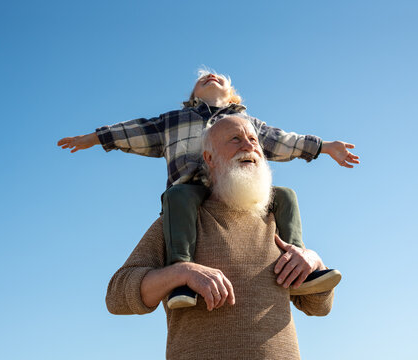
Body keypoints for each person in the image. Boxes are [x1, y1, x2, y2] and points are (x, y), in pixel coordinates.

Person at [57, 69, 359, 307]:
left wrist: (324, 146)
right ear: (192, 95)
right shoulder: (173, 120)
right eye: (202, 78)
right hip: (189, 194)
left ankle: (297, 261)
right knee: (177, 195)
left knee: (286, 196)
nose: (210, 76)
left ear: (230, 94)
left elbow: (285, 141)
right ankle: (181, 276)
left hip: (235, 192)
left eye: (218, 76)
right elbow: (134, 131)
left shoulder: (247, 123)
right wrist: (94, 138)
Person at [106, 115, 335, 359]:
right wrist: (181, 272)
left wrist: (314, 261)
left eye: (253, 140)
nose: (248, 146)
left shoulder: (277, 222)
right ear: (209, 158)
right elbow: (116, 296)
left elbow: (320, 306)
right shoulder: (179, 223)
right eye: (235, 139)